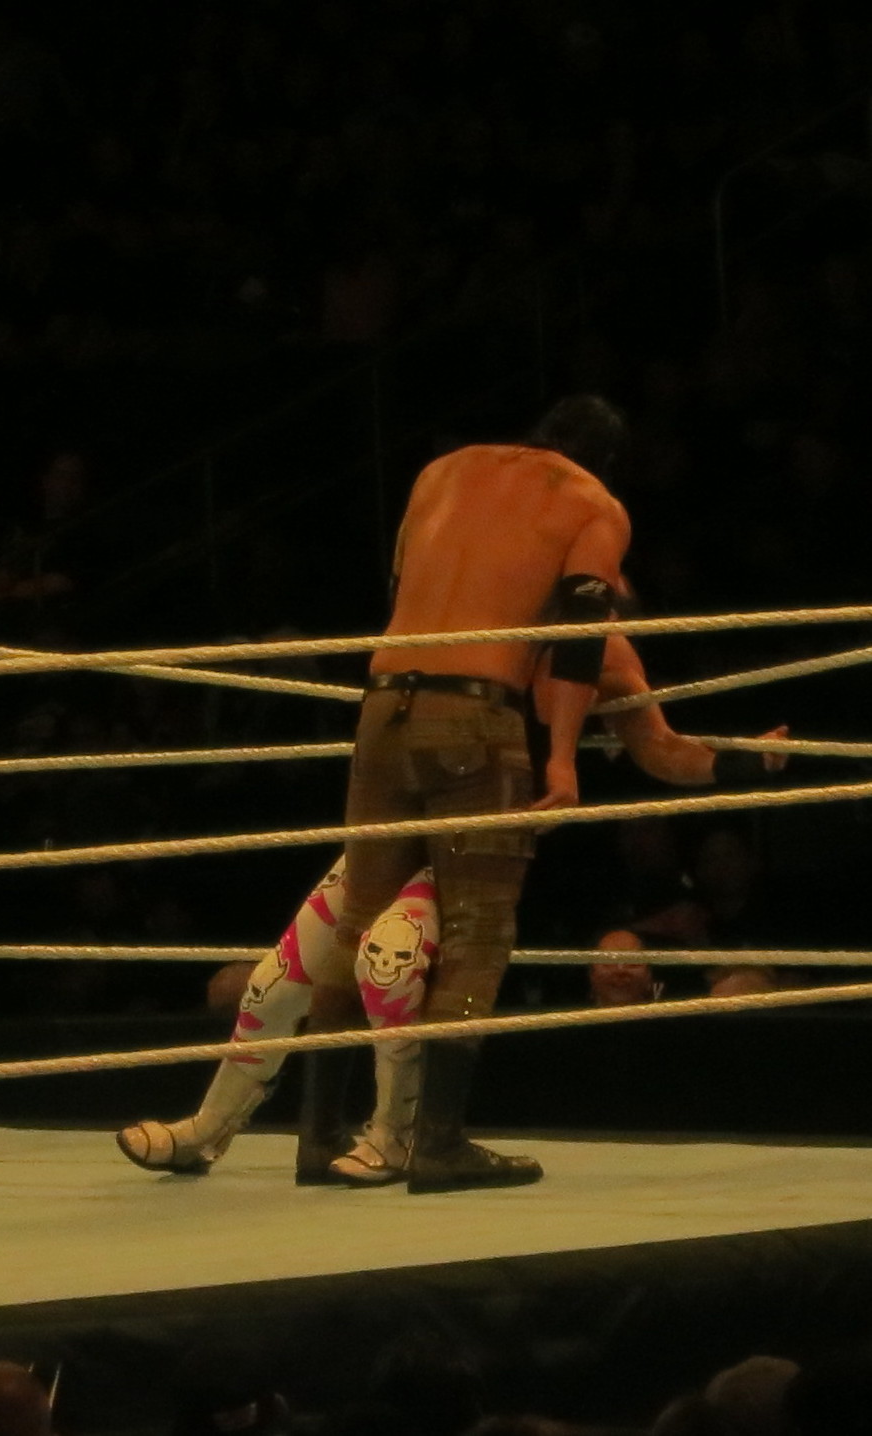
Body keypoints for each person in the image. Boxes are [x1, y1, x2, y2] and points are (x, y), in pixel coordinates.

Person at [116, 628, 786, 1186]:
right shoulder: (465, 617)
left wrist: (743, 766)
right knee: (275, 982)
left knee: (387, 960)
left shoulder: (598, 651)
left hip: (476, 842)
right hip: (403, 821)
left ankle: (392, 1137)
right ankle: (208, 1130)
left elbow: (659, 747)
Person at [298, 393, 631, 1193]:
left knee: (356, 920)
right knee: (477, 930)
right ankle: (439, 1141)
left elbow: (403, 585)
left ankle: (316, 1137)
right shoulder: (591, 502)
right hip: (474, 716)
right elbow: (579, 636)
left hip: (382, 705)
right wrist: (562, 760)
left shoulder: (439, 473)